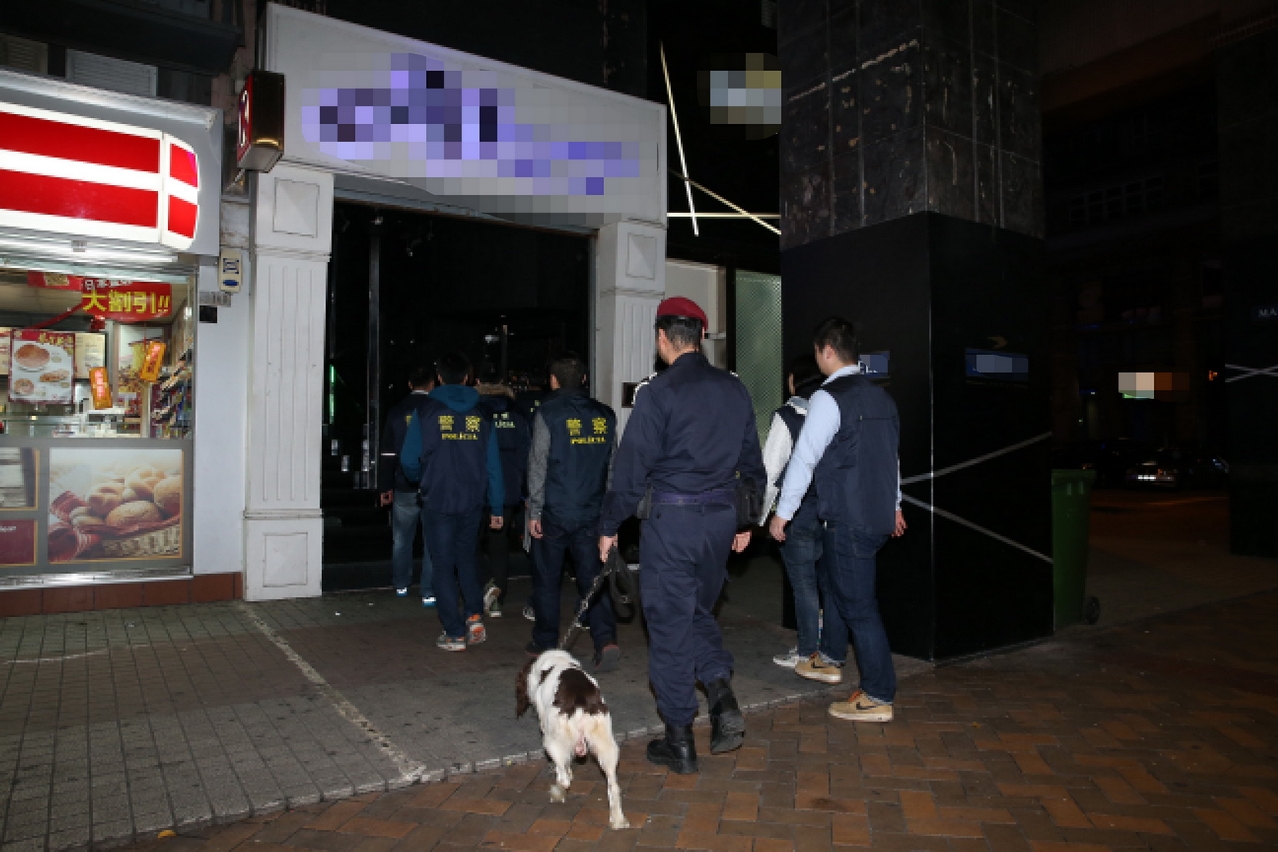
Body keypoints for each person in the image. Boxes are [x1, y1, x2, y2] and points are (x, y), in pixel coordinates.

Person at [598, 296, 766, 774]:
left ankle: (679, 740)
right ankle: (719, 689)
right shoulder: (734, 390)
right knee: (695, 613)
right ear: (700, 337)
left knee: (670, 628)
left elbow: (630, 473)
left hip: (672, 525)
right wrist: (742, 521)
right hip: (718, 524)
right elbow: (753, 467)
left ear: (662, 339)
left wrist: (608, 527)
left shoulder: (657, 393)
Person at [769, 318, 907, 722]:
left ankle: (879, 694)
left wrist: (783, 513)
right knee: (836, 582)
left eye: (817, 352)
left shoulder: (829, 398)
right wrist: (894, 505)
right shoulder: (883, 399)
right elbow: (891, 461)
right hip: (876, 515)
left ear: (827, 351)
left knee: (859, 606)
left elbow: (804, 459)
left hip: (849, 516)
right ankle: (829, 656)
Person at [401, 352, 506, 652]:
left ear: (438, 379)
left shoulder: (426, 411)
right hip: (472, 500)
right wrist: (496, 506)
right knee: (466, 558)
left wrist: (424, 476)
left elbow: (409, 460)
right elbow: (493, 465)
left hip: (437, 499)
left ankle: (454, 632)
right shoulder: (482, 413)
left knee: (443, 565)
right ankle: (474, 616)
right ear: (467, 378)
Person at [526, 352, 620, 670]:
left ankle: (545, 642)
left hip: (554, 510)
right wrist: (610, 515)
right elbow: (612, 469)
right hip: (593, 512)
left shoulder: (547, 413)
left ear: (553, 381)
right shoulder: (605, 415)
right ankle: (605, 640)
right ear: (583, 379)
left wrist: (534, 509)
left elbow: (538, 464)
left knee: (547, 579)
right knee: (592, 579)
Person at [759, 354, 848, 681]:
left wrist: (759, 518)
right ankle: (829, 649)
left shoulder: (788, 415)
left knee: (803, 585)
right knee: (828, 583)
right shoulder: (834, 412)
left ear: (795, 380)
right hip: (832, 511)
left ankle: (806, 649)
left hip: (796, 514)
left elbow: (771, 469)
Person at [378, 367, 437, 603]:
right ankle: (428, 591)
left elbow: (387, 453)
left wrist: (385, 486)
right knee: (432, 540)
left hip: (403, 484)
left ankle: (401, 584)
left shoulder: (397, 410)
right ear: (432, 384)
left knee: (402, 539)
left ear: (411, 385)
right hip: (432, 484)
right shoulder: (437, 411)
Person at [477, 363, 531, 618]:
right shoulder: (518, 413)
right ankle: (497, 595)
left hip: (476, 488)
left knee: (473, 543)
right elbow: (527, 454)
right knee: (499, 544)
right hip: (509, 489)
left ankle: (475, 594)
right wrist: (525, 489)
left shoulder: (474, 412)